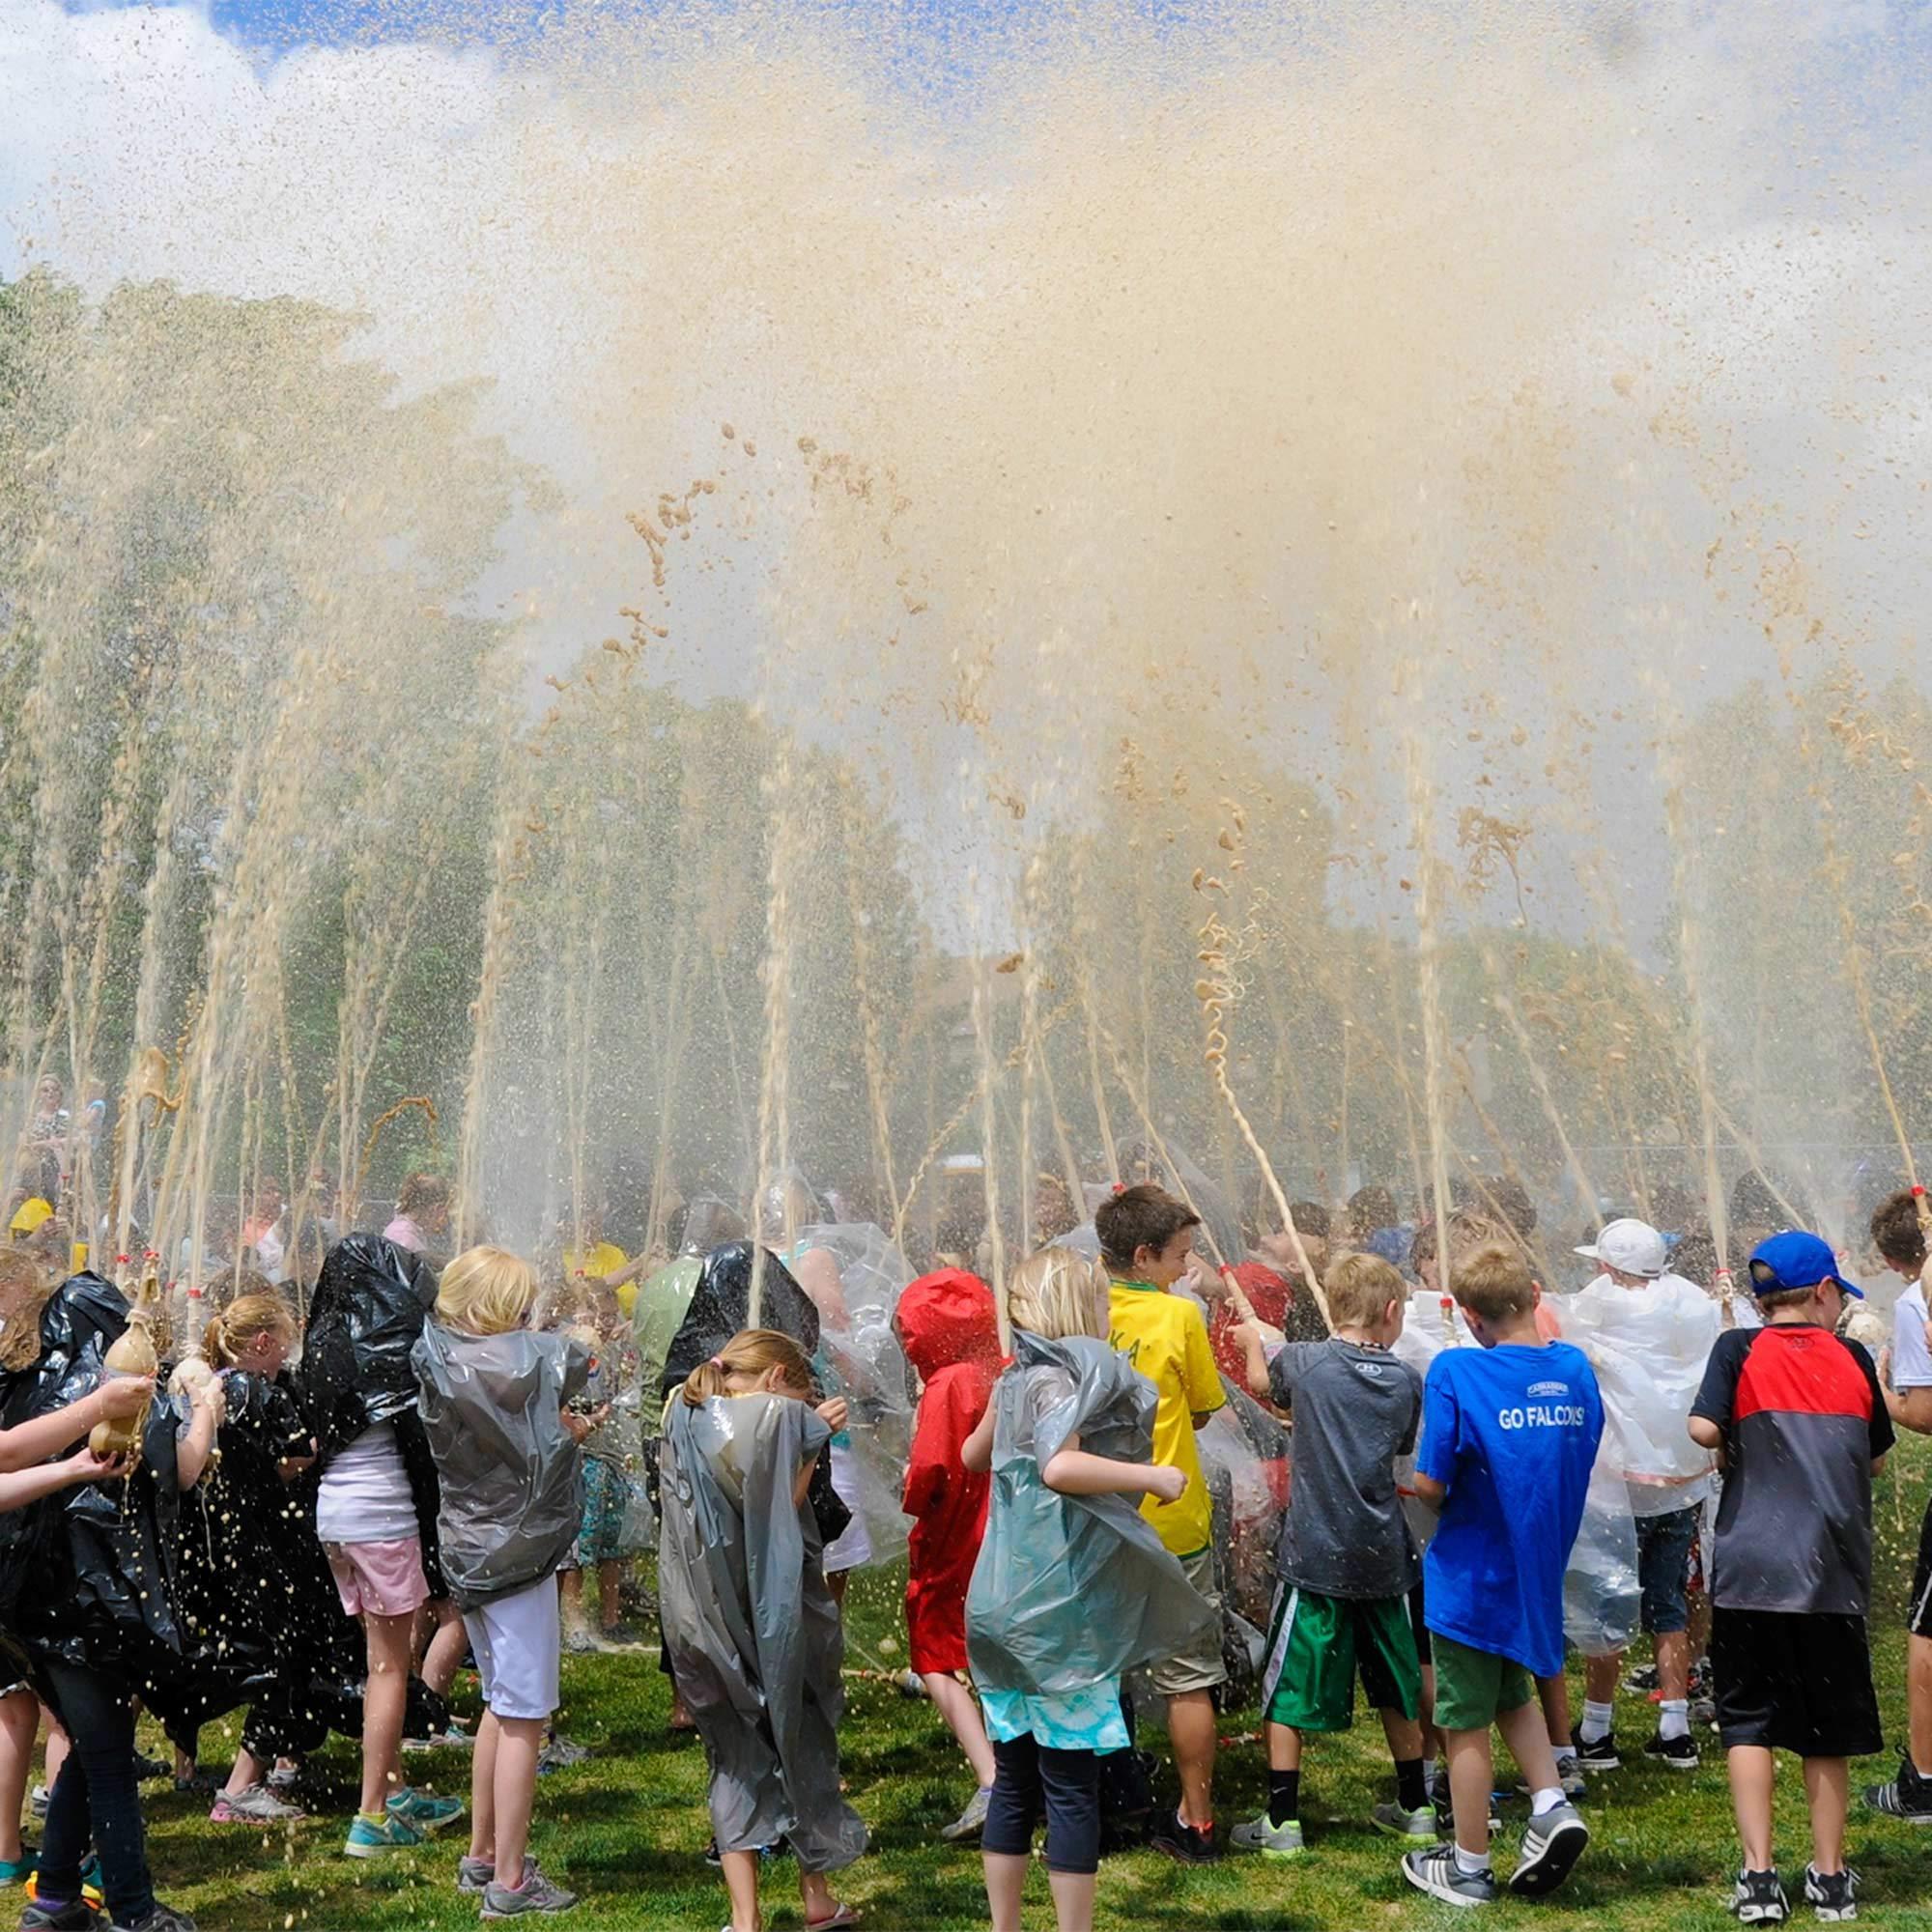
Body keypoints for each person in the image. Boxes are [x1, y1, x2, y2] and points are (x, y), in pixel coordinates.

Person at [964, 1245, 1213, 1932]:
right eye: (1101, 1303)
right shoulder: (1061, 1382)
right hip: (1057, 1616)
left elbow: (971, 1456)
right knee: (1071, 1788)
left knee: (1013, 1782)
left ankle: (1004, 1927)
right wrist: (1151, 1478)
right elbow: (1059, 1465)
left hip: (996, 1608)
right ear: (1080, 1309)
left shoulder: (1014, 1378)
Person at [4, 1263, 217, 1932]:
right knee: (106, 1754)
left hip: (24, 1602)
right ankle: (132, 1911)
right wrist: (205, 1402)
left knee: (96, 1736)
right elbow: (181, 1470)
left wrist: (70, 1464)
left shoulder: (26, 1383)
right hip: (79, 1606)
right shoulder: (109, 1390)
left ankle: (55, 1898)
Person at [1690, 1231, 1891, 1926]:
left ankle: (1758, 1878)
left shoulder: (1737, 1349)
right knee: (1825, 1730)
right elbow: (1875, 1461)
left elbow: (1700, 1431)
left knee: (1748, 1722)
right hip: (1831, 1575)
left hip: (1749, 1573)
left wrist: (1735, 1425)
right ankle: (1832, 1880)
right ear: (1826, 1293)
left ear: (1759, 1298)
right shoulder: (1855, 1357)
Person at [1401, 1239, 1599, 1909]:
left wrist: (1414, 1487)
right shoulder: (1574, 1369)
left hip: (1470, 1575)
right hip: (1535, 1569)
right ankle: (1550, 1803)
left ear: (1469, 1316)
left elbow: (1431, 1480)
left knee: (1463, 1722)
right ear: (1536, 1295)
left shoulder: (1457, 1371)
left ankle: (1468, 1867)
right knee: (1512, 1690)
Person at [658, 1328, 867, 1932]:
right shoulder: (774, 1419)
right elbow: (779, 1514)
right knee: (797, 1741)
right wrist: (812, 1440)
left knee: (731, 1755)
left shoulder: (686, 1411)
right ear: (777, 1381)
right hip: (771, 1615)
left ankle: (744, 1918)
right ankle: (816, 1898)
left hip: (702, 1617)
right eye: (800, 1397)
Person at [1225, 1251, 1431, 1858]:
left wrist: (1251, 1344)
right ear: (1391, 1313)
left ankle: (1282, 1820)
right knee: (1396, 1684)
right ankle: (1417, 1805)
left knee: (1287, 1684)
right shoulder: (1406, 1381)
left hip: (1315, 1557)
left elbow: (1265, 1387)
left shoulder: (1308, 1363)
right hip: (1384, 1558)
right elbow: (1399, 1443)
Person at [414, 1244, 598, 1918]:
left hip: (467, 1545)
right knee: (525, 1716)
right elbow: (572, 1367)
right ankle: (511, 1882)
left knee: (499, 1701)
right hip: (516, 1555)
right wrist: (572, 1431)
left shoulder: (440, 1352)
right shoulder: (517, 1362)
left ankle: (482, 1854)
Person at [299, 1233, 467, 1857]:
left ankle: (393, 1789)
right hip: (382, 1517)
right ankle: (371, 1816)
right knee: (389, 1667)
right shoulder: (395, 1346)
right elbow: (421, 1448)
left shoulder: (327, 1343)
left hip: (336, 1517)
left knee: (380, 1660)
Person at [1556, 1218, 1720, 1776]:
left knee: (1607, 1598)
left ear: (1606, 1266)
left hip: (1619, 1482)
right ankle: (1675, 1729)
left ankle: (1597, 1731)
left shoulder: (1597, 1306)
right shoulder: (1690, 1302)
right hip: (1681, 1482)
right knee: (1669, 1602)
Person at [1096, 1183, 1226, 1864]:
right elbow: (1202, 1409)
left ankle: (1104, 1805)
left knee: (1097, 1667)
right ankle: (1197, 1821)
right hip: (1174, 1520)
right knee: (1187, 1675)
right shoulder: (1180, 1317)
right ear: (1144, 1255)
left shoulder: (1079, 1311)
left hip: (1095, 1517)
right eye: (1179, 1254)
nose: (1188, 1264)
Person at [895, 1265, 1001, 1842]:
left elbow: (933, 1469)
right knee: (990, 1652)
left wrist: (908, 1492)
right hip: (999, 1531)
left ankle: (992, 1779)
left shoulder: (946, 1385)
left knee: (934, 1653)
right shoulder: (997, 1371)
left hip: (953, 1533)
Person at [1864, 1187, 1932, 1822]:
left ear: (1890, 1260)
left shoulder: (1917, 1303)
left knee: (1927, 1631)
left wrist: (1879, 1389)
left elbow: (1925, 1412)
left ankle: (1923, 1782)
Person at [384, 1175, 451, 1260]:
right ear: (435, 1209)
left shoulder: (401, 1229)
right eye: (445, 1213)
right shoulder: (405, 1240)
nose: (445, 1221)